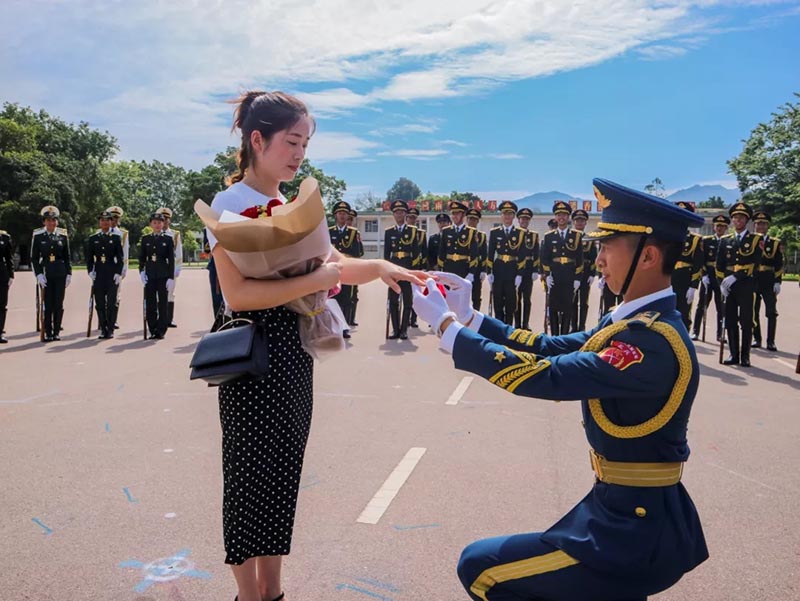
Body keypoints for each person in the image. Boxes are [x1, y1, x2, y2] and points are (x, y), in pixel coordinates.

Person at [413, 177, 708, 601]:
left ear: (648, 256)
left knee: (482, 569)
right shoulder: (629, 323)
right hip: (620, 512)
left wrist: (447, 329)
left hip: (635, 530)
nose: (599, 258)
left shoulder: (650, 341)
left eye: (609, 247)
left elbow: (548, 375)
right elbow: (551, 347)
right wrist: (472, 317)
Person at [205, 90, 425, 601]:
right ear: (257, 140)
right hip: (251, 353)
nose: (299, 153)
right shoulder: (229, 205)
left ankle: (274, 591)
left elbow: (329, 261)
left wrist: (378, 268)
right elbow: (237, 292)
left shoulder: (292, 204)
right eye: (291, 141)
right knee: (246, 481)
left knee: (282, 474)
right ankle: (248, 596)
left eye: (305, 143)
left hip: (292, 351)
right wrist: (316, 279)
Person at [717, 202, 762, 367]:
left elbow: (755, 264)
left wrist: (736, 276)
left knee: (746, 320)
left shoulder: (755, 240)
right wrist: (722, 283)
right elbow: (719, 266)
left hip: (745, 284)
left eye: (741, 218)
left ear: (747, 220)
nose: (738, 220)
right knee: (729, 320)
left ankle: (745, 356)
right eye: (735, 217)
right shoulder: (724, 240)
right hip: (728, 286)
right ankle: (733, 354)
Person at [540, 201, 583, 335]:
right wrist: (547, 275)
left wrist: (578, 278)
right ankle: (554, 336)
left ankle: (564, 335)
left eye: (564, 215)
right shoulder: (548, 236)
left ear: (568, 216)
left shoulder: (576, 235)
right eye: (559, 215)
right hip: (555, 276)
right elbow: (544, 258)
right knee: (553, 308)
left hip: (569, 275)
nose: (561, 218)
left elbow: (580, 258)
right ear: (555, 217)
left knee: (567, 308)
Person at [31, 206, 71, 342]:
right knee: (47, 304)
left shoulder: (62, 236)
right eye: (48, 220)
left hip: (60, 273)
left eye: (53, 220)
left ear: (57, 222)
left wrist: (69, 274)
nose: (51, 223)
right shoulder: (38, 237)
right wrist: (38, 275)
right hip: (46, 273)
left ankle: (56, 331)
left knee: (58, 304)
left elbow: (67, 257)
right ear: (44, 222)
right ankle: (48, 331)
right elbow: (34, 258)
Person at [384, 199, 420, 340]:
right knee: (393, 301)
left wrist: (413, 273)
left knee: (407, 301)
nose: (399, 214)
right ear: (393, 214)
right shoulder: (389, 232)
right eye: (396, 212)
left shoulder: (412, 231)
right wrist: (385, 272)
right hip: (393, 270)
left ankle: (404, 329)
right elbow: (386, 255)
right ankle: (395, 329)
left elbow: (416, 254)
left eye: (401, 212)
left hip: (406, 270)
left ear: (405, 214)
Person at [86, 211, 124, 339]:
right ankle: (103, 327)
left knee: (112, 303)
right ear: (99, 222)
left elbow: (120, 258)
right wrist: (90, 271)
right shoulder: (93, 239)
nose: (105, 222)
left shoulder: (115, 238)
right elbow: (89, 258)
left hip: (111, 273)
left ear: (111, 222)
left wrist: (118, 273)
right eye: (102, 220)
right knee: (100, 303)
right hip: (99, 274)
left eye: (107, 220)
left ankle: (111, 328)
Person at [691, 214, 729, 341]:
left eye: (722, 226)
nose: (720, 228)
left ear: (726, 228)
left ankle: (720, 333)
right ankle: (695, 331)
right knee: (702, 305)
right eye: (718, 226)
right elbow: (701, 259)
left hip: (721, 278)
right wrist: (703, 275)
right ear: (714, 227)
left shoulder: (728, 241)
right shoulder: (706, 241)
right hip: (708, 275)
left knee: (721, 307)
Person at [328, 201, 362, 338]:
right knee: (333, 298)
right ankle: (334, 326)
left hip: (347, 269)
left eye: (344, 214)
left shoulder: (353, 233)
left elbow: (357, 253)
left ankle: (345, 327)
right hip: (332, 270)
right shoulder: (329, 232)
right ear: (336, 215)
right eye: (340, 213)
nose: (342, 216)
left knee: (347, 299)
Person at [139, 212, 174, 340]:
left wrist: (171, 277)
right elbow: (142, 258)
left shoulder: (168, 239)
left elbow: (171, 260)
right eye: (155, 222)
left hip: (163, 274)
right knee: (151, 303)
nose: (157, 225)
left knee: (162, 303)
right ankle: (152, 328)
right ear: (150, 224)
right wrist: (141, 271)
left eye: (160, 222)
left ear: (163, 223)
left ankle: (161, 330)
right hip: (150, 274)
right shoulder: (146, 239)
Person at [751, 210, 783, 351]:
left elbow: (779, 263)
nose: (761, 226)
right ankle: (756, 339)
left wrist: (778, 281)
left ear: (768, 226)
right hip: (754, 278)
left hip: (769, 279)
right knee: (754, 310)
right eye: (758, 224)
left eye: (763, 224)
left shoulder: (775, 243)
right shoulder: (750, 241)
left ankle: (771, 341)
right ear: (754, 225)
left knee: (771, 311)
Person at [486, 201, 523, 325]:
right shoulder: (494, 232)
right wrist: (489, 272)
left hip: (512, 269)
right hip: (499, 268)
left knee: (510, 302)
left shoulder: (520, 233)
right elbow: (490, 253)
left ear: (514, 216)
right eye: (504, 214)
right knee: (498, 300)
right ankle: (498, 327)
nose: (507, 216)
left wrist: (520, 274)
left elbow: (522, 255)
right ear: (501, 216)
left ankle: (508, 327)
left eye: (510, 214)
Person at [670, 202, 704, 330]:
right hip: (668, 278)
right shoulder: (668, 237)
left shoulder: (695, 239)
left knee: (683, 312)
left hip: (685, 279)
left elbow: (698, 264)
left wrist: (693, 286)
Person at [438, 200, 479, 280]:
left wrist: (471, 273)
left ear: (463, 214)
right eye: (453, 213)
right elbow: (442, 252)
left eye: (458, 213)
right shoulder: (446, 231)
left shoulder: (471, 231)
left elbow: (474, 254)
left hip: (463, 269)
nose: (455, 216)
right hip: (448, 269)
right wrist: (440, 269)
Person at [570, 209, 597, 332]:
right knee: (572, 302)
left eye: (582, 221)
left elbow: (593, 257)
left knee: (584, 302)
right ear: (573, 222)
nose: (579, 223)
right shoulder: (569, 238)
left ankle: (582, 326)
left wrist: (592, 274)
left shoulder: (589, 238)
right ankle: (573, 326)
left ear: (585, 223)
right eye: (577, 220)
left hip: (585, 273)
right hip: (572, 272)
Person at [514, 207, 539, 329]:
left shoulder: (533, 236)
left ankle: (525, 323)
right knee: (516, 298)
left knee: (527, 298)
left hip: (528, 269)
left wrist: (535, 270)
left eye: (526, 219)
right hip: (515, 268)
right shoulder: (513, 234)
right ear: (518, 220)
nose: (524, 221)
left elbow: (536, 254)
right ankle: (517, 323)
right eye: (522, 219)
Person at [158, 207, 182, 328]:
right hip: (158, 267)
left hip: (170, 267)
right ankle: (160, 318)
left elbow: (178, 252)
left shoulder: (175, 234)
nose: (165, 221)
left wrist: (178, 268)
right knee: (159, 292)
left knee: (170, 293)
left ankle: (168, 319)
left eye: (166, 218)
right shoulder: (155, 234)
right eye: (162, 218)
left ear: (169, 220)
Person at [107, 206, 129, 329]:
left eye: (116, 218)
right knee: (102, 294)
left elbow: (125, 253)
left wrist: (123, 269)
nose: (114, 220)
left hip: (117, 267)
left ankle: (113, 320)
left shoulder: (123, 234)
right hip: (103, 268)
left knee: (116, 295)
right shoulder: (101, 232)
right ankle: (103, 320)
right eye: (112, 218)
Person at [406, 206, 427, 327]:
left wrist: (423, 267)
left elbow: (424, 251)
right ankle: (403, 318)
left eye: (414, 218)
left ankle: (413, 319)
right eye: (410, 217)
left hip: (417, 267)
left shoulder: (421, 234)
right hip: (405, 266)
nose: (412, 220)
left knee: (416, 294)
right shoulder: (405, 231)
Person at [466, 208, 488, 311]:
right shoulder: (463, 233)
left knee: (476, 295)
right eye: (470, 219)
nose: (472, 222)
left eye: (474, 220)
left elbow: (484, 254)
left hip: (477, 269)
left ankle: (475, 317)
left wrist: (483, 270)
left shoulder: (481, 236)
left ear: (478, 221)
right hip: (464, 267)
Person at [346, 208, 364, 326]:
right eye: (348, 219)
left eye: (350, 219)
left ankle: (351, 318)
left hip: (353, 268)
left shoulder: (355, 234)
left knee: (353, 294)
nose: (348, 221)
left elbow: (360, 252)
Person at [0, 226, 13, 343]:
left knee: (2, 305)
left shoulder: (4, 237)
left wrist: (11, 275)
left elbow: (9, 258)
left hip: (2, 275)